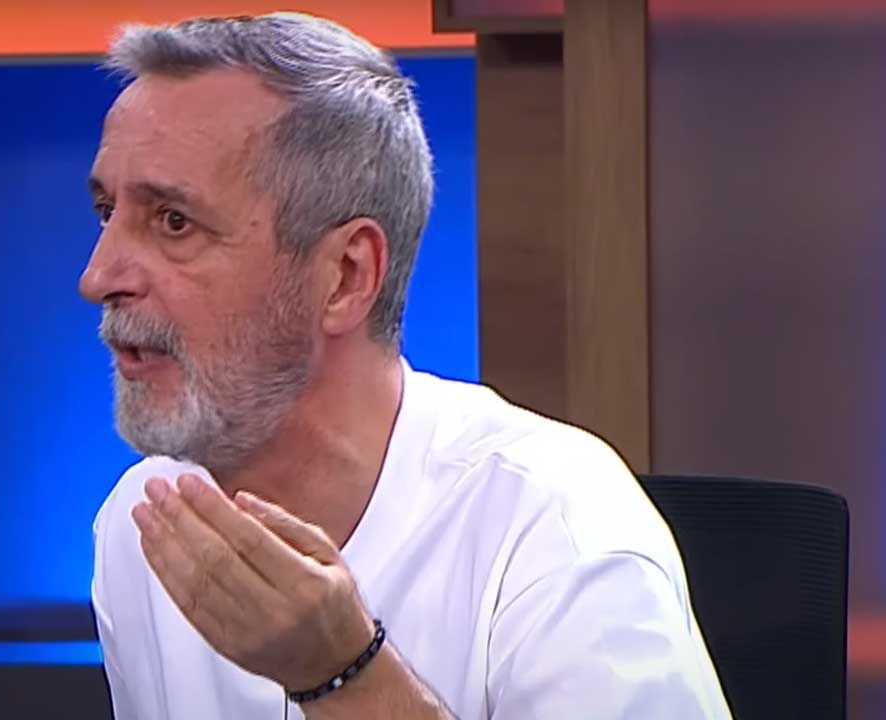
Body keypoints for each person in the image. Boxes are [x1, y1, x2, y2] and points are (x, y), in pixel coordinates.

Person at [81, 12, 730, 719]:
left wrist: (344, 674)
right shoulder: (140, 526)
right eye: (107, 212)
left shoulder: (557, 529)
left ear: (346, 276)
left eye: (174, 222)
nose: (98, 276)